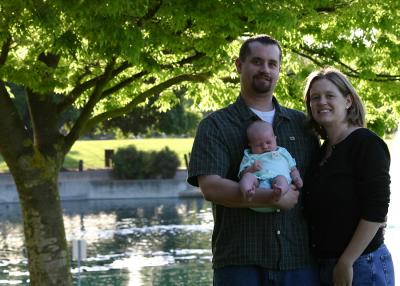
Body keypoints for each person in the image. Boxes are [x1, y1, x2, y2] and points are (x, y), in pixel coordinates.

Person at [187, 35, 320, 285]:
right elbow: (211, 187)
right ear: (239, 65)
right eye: (257, 62)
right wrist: (273, 197)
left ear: (280, 69)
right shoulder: (215, 125)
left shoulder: (303, 125)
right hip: (241, 262)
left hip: (299, 261)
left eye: (272, 63)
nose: (265, 69)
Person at [303, 67, 395, 285]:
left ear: (348, 101)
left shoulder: (366, 144)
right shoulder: (320, 152)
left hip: (362, 264)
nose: (321, 102)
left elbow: (376, 210)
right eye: (315, 98)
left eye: (329, 95)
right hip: (324, 265)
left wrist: (346, 262)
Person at [239, 120, 303, 213]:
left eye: (268, 142)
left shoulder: (282, 152)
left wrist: (297, 178)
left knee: (282, 179)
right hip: (257, 186)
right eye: (259, 145)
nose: (265, 146)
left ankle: (279, 192)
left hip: (276, 183)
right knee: (247, 177)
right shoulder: (249, 155)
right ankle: (247, 192)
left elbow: (293, 169)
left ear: (275, 139)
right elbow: (242, 174)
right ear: (250, 145)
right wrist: (251, 169)